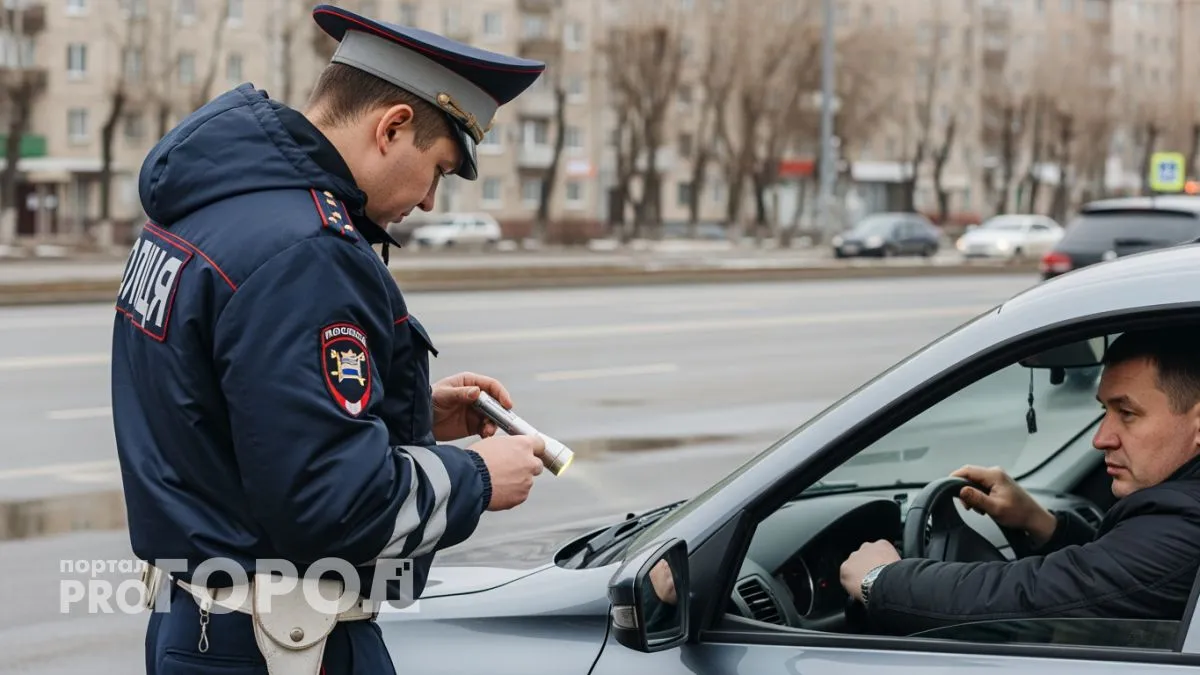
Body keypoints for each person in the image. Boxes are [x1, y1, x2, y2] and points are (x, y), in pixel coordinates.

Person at [111, 5, 549, 674]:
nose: (429, 201)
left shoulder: (211, 205)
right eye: (437, 169)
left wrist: (408, 413)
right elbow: (334, 505)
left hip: (197, 624)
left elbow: (220, 413)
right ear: (391, 128)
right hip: (279, 644)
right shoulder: (308, 251)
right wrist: (480, 478)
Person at [839, 327, 1200, 636]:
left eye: (1127, 413)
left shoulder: (1185, 522)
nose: (1101, 438)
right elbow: (1113, 574)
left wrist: (882, 580)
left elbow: (1033, 594)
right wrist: (1038, 521)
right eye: (1104, 411)